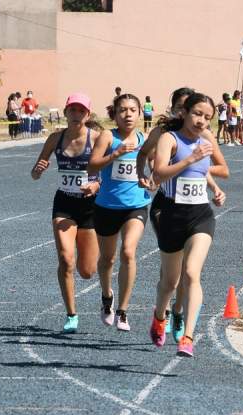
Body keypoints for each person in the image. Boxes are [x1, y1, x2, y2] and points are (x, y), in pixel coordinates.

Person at [141, 87, 227, 342]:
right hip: (170, 212)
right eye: (197, 114)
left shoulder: (206, 141)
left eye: (207, 117)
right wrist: (189, 159)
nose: (201, 121)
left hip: (200, 214)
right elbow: (158, 173)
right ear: (184, 113)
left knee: (191, 273)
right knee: (170, 280)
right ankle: (160, 315)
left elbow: (211, 170)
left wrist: (215, 189)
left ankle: (188, 336)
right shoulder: (168, 137)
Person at [30, 93, 101, 332]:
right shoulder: (55, 139)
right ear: (66, 113)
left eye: (81, 111)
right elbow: (34, 173)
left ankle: (104, 293)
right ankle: (71, 314)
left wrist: (96, 184)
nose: (76, 115)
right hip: (64, 205)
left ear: (88, 115)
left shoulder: (96, 138)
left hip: (90, 206)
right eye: (73, 110)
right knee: (65, 258)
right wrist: (38, 170)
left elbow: (106, 173)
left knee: (87, 271)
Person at [86, 93, 150, 332]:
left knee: (128, 252)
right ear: (115, 113)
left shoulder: (144, 139)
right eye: (123, 110)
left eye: (133, 110)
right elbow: (92, 165)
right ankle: (107, 296)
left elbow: (153, 167)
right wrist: (116, 154)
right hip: (107, 206)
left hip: (136, 206)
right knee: (107, 259)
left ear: (140, 112)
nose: (128, 115)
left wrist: (151, 180)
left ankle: (123, 310)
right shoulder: (107, 136)